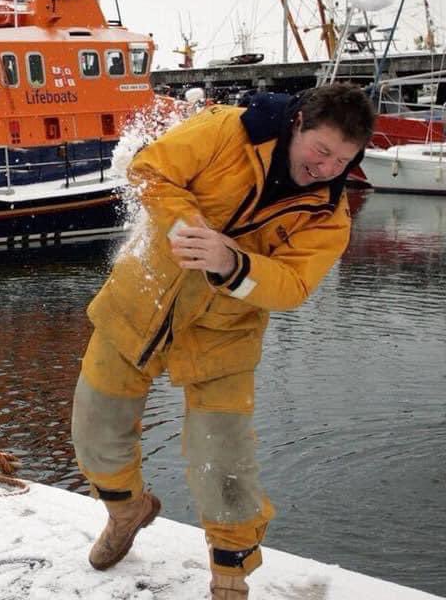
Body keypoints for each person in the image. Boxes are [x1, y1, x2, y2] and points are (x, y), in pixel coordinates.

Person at [71, 83, 375, 599]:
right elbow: (149, 169)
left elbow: (294, 285)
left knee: (224, 463)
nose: (326, 168)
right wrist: (189, 229)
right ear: (298, 123)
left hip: (225, 334)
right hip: (139, 300)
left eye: (343, 161)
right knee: (96, 429)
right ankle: (127, 512)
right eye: (321, 150)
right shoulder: (224, 129)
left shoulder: (328, 214)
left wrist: (233, 263)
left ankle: (230, 577)